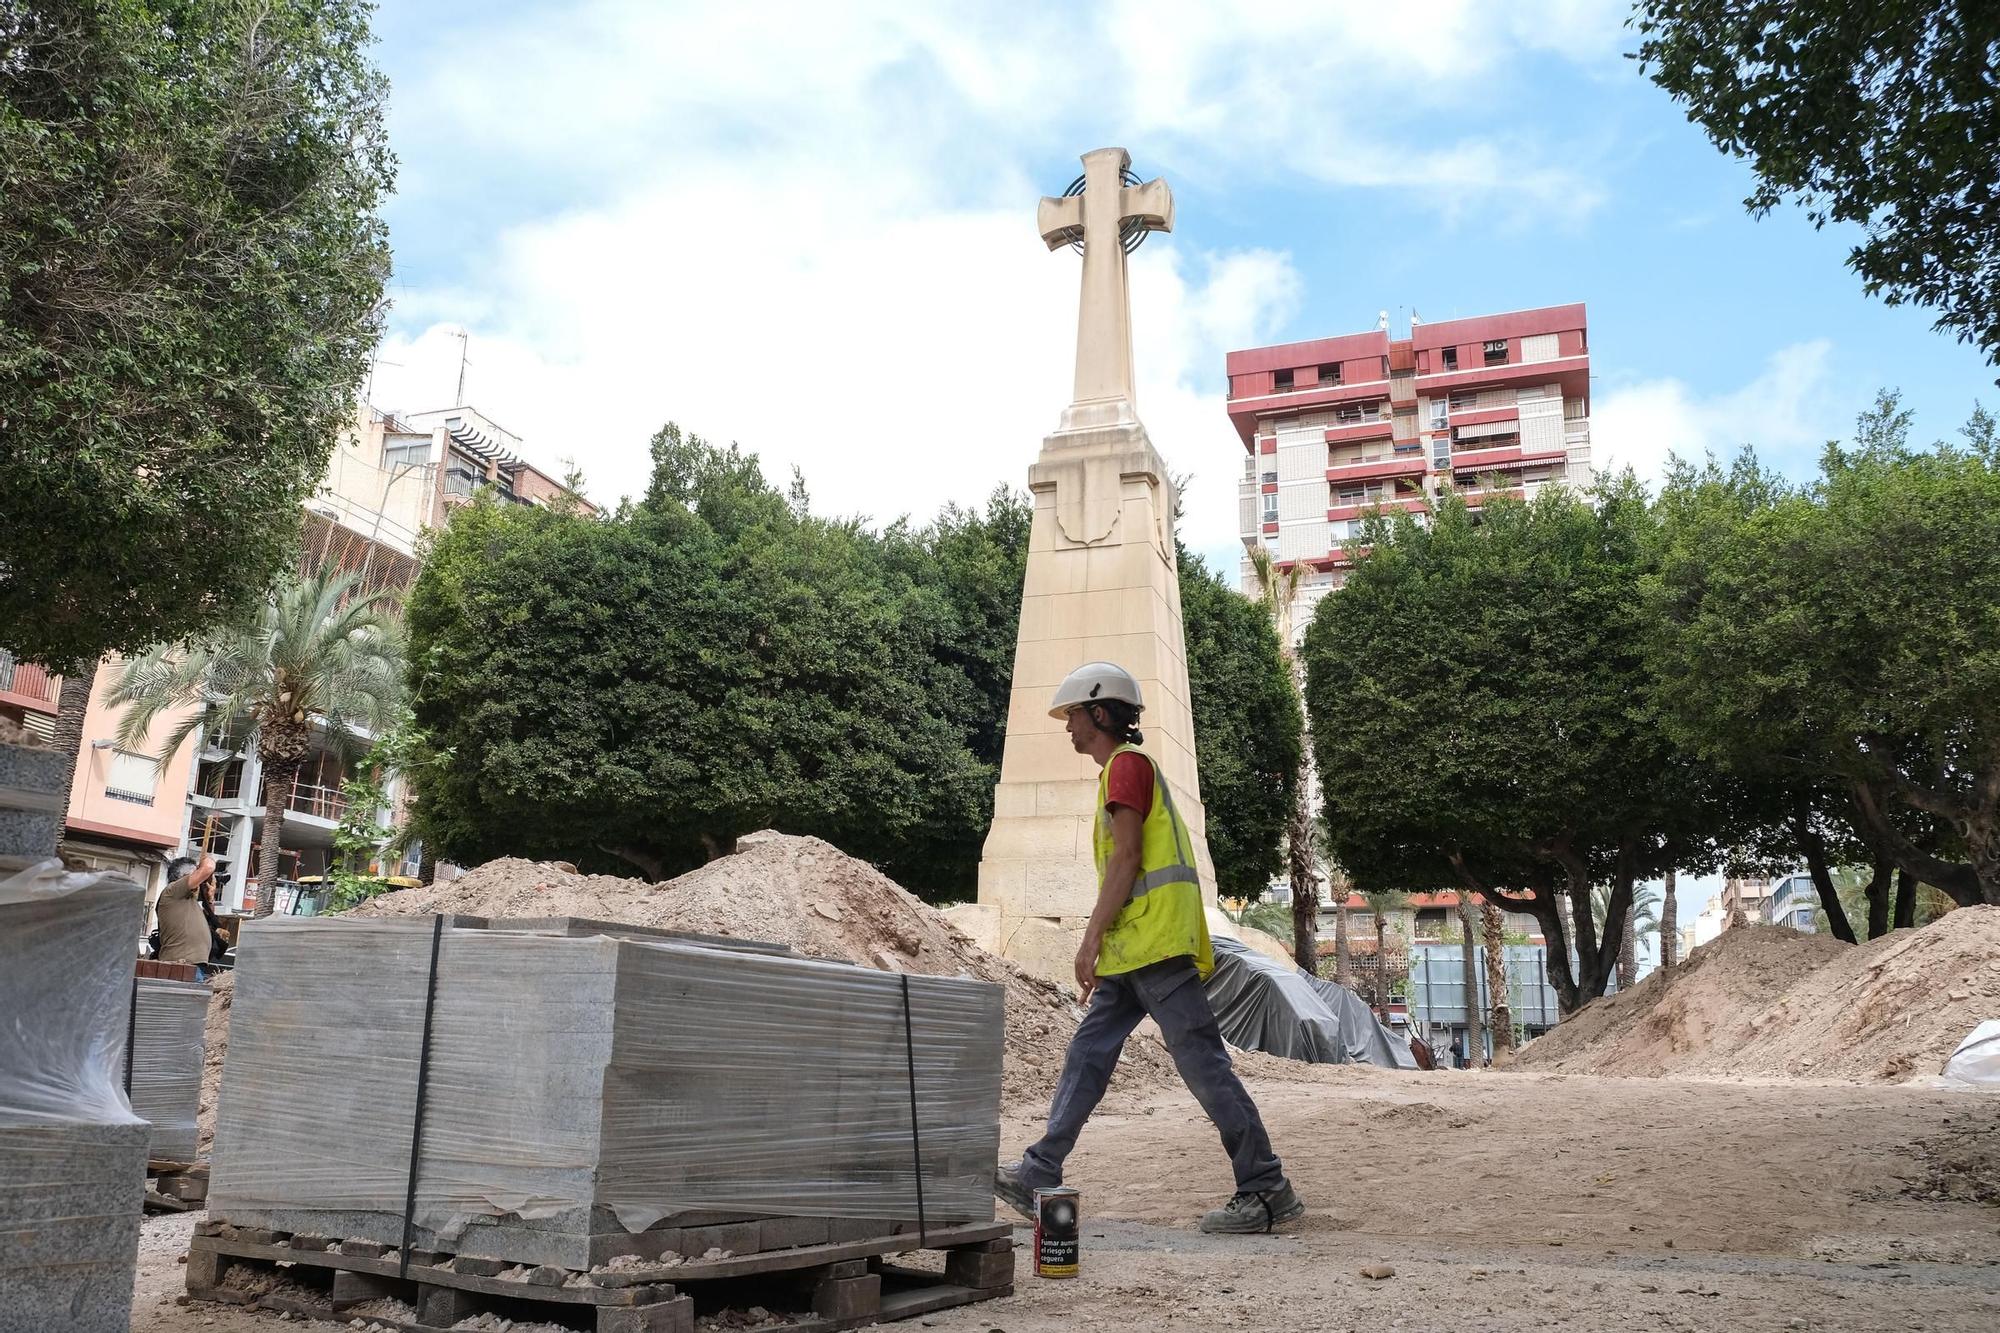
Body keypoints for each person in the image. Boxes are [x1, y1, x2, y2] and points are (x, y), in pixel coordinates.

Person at [994, 662, 1305, 1235]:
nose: (1068, 728)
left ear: (1101, 713)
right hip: (1135, 949)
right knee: (1088, 1056)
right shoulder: (1120, 770)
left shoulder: (1127, 767)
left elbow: (1128, 857)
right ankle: (1040, 1168)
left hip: (1154, 946)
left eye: (1074, 716)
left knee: (1204, 1067)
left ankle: (1265, 1188)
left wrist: (1089, 938)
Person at [154, 852, 217, 980]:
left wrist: (210, 899)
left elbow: (212, 923)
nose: (200, 881)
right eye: (195, 874)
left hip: (190, 966)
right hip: (181, 966)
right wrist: (207, 859)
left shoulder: (187, 900)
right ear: (183, 877)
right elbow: (208, 867)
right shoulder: (172, 891)